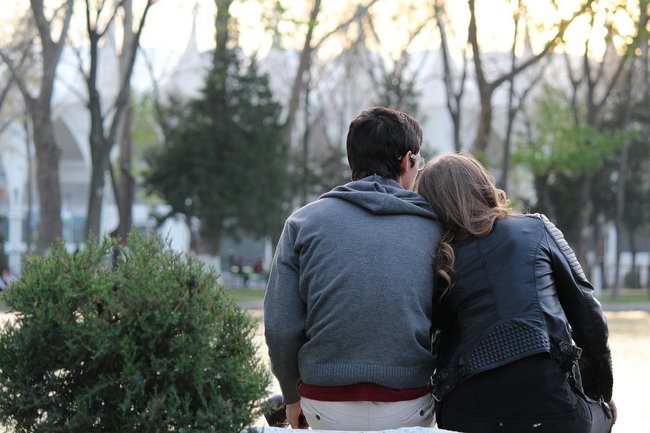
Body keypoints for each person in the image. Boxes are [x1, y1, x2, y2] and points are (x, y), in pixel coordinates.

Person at [264, 107, 443, 430]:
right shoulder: (436, 229)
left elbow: (280, 327)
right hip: (409, 402)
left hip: (323, 402)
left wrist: (291, 396)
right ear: (407, 161)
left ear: (353, 163)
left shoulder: (302, 223)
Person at [416, 152, 616, 433]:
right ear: (483, 186)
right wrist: (598, 393)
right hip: (551, 407)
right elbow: (590, 318)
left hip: (463, 413)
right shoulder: (536, 228)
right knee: (603, 417)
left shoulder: (433, 260)